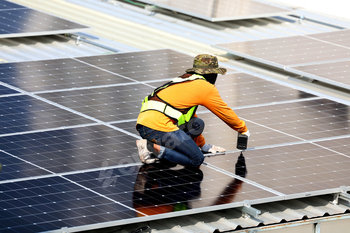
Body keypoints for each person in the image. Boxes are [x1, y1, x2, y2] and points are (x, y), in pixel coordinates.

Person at [135, 54, 249, 167]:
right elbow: (224, 111)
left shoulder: (184, 79)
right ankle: (151, 147)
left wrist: (203, 145)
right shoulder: (204, 87)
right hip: (158, 128)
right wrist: (242, 129)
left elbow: (188, 116)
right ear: (211, 73)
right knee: (196, 159)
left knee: (196, 124)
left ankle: (158, 146)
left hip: (145, 126)